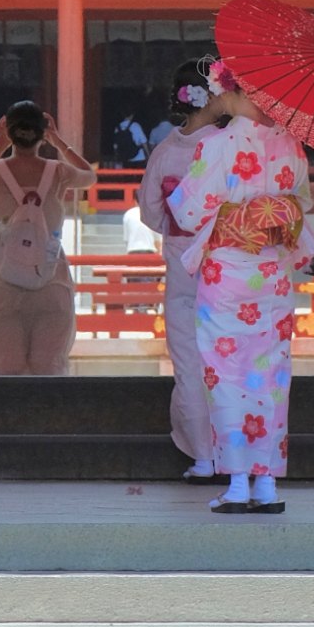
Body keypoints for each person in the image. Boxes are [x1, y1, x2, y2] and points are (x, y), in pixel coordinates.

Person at [165, 59, 311, 513]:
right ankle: (266, 483)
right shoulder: (292, 146)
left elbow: (188, 213)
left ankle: (236, 485)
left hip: (227, 273)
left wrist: (182, 193)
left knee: (226, 376)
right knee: (271, 375)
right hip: (272, 274)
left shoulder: (219, 144)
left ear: (231, 91)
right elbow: (298, 205)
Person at [135, 62, 225, 480]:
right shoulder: (229, 146)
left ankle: (202, 456)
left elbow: (152, 215)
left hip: (181, 266)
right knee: (230, 363)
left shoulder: (166, 151)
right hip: (230, 270)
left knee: (189, 363)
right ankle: (237, 455)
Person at [0, 101, 95, 375]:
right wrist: (59, 142)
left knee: (3, 368)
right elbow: (90, 176)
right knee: (47, 367)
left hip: (2, 281)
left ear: (9, 131)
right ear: (42, 132)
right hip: (50, 277)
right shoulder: (58, 172)